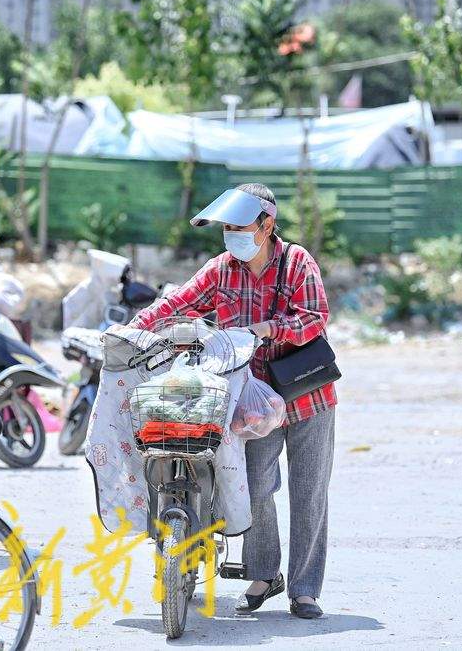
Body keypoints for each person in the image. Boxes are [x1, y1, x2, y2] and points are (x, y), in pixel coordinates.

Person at [128, 183, 337, 620]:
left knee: (309, 493)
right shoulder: (220, 270)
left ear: (267, 225)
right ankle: (264, 574)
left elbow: (315, 319)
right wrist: (133, 330)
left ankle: (304, 590)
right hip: (252, 402)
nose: (232, 236)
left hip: (307, 397)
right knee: (254, 486)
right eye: (227, 228)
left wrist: (270, 329)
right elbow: (178, 303)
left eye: (240, 227)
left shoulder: (297, 262)